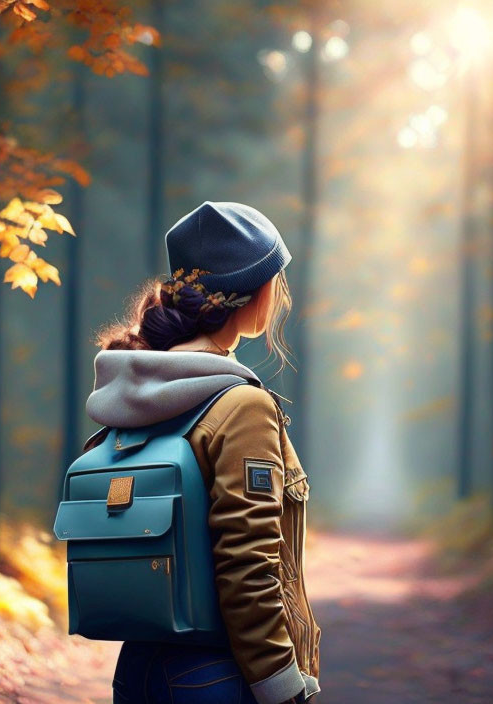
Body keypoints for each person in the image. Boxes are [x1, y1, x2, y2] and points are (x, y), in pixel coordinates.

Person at [83, 201, 321, 704]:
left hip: (138, 667)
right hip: (217, 672)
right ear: (251, 290)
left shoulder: (138, 389)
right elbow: (248, 567)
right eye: (276, 279)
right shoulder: (241, 406)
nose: (280, 296)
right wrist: (281, 685)